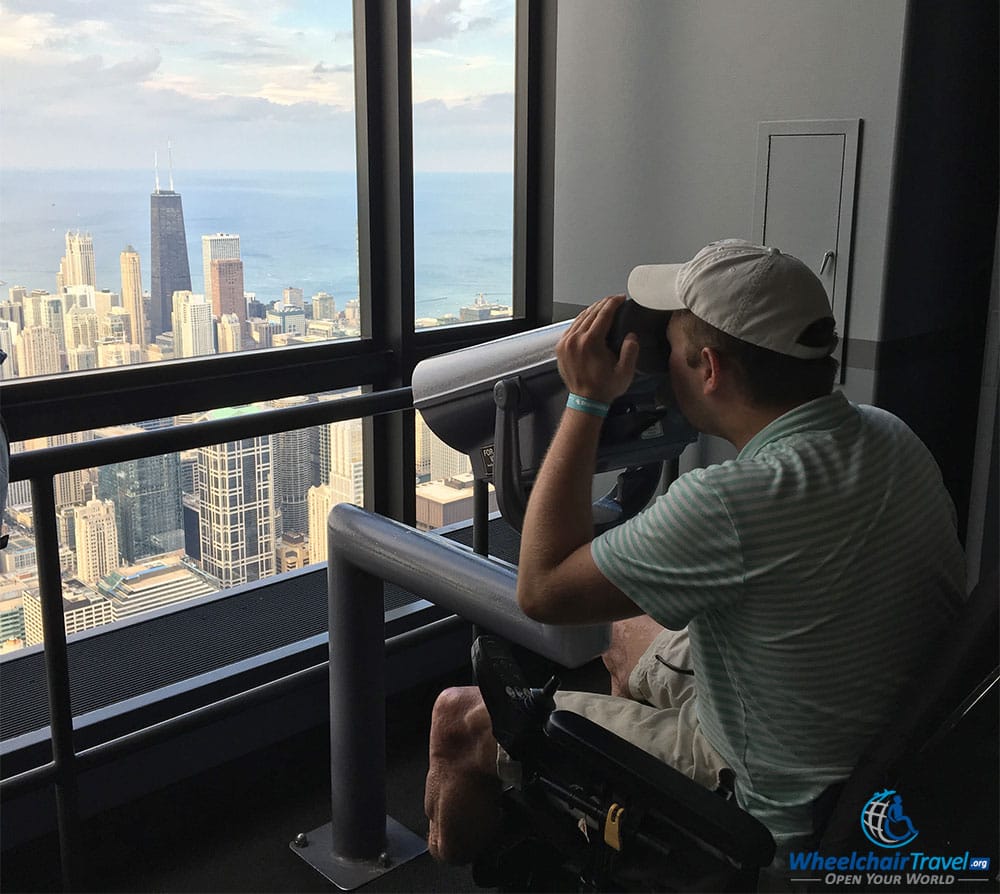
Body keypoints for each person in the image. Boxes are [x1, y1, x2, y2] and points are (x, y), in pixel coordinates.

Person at [424, 238, 965, 864]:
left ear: (709, 370)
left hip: (770, 812)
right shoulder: (891, 434)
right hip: (879, 763)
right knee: (624, 629)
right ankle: (598, 814)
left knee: (457, 720)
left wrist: (586, 401)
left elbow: (541, 589)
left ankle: (466, 857)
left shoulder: (731, 502)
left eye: (672, 351)